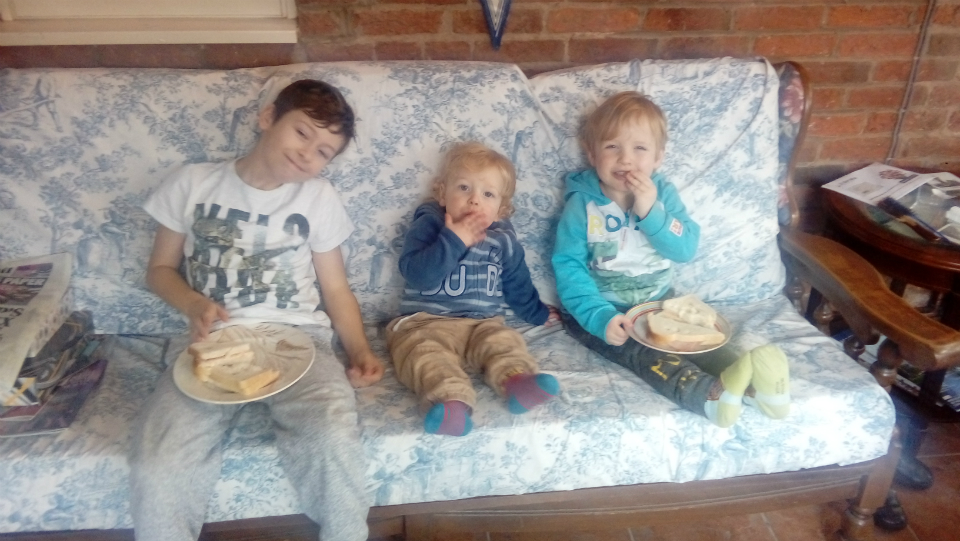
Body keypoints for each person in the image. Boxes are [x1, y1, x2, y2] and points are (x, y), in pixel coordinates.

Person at [129, 79, 385, 541]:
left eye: (325, 150)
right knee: (160, 456)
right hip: (213, 345)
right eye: (303, 132)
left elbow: (336, 289)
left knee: (332, 436)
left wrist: (360, 351)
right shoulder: (193, 182)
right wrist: (192, 303)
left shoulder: (318, 198)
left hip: (298, 343)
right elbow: (159, 269)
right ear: (267, 117)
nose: (310, 153)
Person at [551, 91, 790, 428]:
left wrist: (651, 211)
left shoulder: (663, 195)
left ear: (658, 158)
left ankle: (760, 388)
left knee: (706, 339)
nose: (626, 159)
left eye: (639, 148)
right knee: (647, 353)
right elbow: (568, 267)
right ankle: (707, 397)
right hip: (601, 310)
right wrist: (598, 317)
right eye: (612, 147)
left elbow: (685, 247)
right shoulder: (582, 206)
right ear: (592, 154)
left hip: (659, 301)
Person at [386, 142, 561, 437]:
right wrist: (453, 238)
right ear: (442, 193)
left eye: (488, 194)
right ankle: (451, 403)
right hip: (425, 323)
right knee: (424, 355)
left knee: (503, 341)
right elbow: (418, 275)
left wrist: (537, 313)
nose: (474, 201)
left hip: (482, 324)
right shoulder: (431, 223)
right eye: (464, 188)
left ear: (502, 209)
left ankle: (517, 381)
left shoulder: (503, 239)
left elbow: (517, 283)